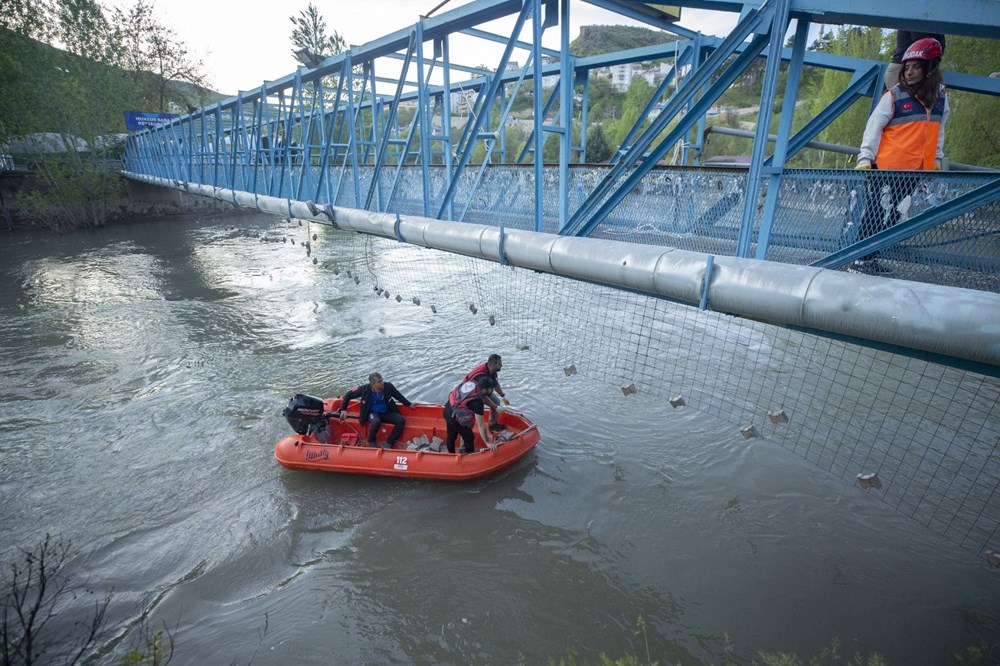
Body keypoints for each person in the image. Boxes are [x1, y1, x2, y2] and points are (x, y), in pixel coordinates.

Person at [853, 37, 949, 274]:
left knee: (895, 213)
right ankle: (859, 259)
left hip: (914, 171)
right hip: (886, 169)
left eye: (916, 66)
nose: (910, 72)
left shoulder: (940, 100)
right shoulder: (894, 95)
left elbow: (939, 131)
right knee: (875, 212)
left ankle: (869, 258)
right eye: (907, 67)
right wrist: (865, 159)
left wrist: (936, 159)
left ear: (931, 68)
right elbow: (873, 126)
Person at [339, 372, 412, 448]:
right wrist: (343, 409)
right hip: (372, 413)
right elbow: (348, 395)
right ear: (373, 384)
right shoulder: (364, 389)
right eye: (379, 382)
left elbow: (398, 396)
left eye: (382, 380)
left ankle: (389, 443)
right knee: (376, 422)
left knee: (401, 420)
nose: (382, 383)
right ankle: (371, 440)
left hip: (386, 412)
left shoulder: (388, 386)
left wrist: (409, 404)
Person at [443, 376, 497, 454]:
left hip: (447, 409)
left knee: (451, 435)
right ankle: (469, 454)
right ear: (484, 390)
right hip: (455, 418)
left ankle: (451, 454)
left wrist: (495, 406)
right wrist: (488, 442)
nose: (492, 390)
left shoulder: (472, 383)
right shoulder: (477, 402)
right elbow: (481, 425)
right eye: (491, 389)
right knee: (469, 436)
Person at [462, 354, 509, 432]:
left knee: (496, 401)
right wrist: (495, 407)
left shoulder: (491, 370)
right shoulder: (482, 377)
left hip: (482, 392)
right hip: (470, 395)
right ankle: (468, 433)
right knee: (491, 405)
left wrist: (503, 396)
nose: (502, 365)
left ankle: (492, 424)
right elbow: (483, 396)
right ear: (494, 365)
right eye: (500, 364)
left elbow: (495, 383)